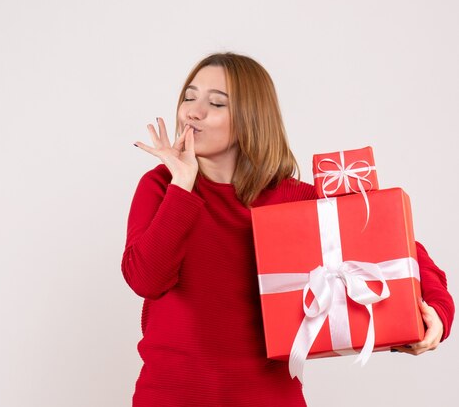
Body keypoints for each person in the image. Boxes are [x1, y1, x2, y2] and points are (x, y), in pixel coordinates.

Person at [121, 52, 454, 406]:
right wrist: (183, 186)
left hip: (269, 397)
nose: (193, 111)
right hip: (170, 396)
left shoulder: (290, 199)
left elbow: (400, 250)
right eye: (189, 97)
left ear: (251, 119)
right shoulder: (161, 187)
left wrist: (438, 312)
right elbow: (146, 280)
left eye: (216, 103)